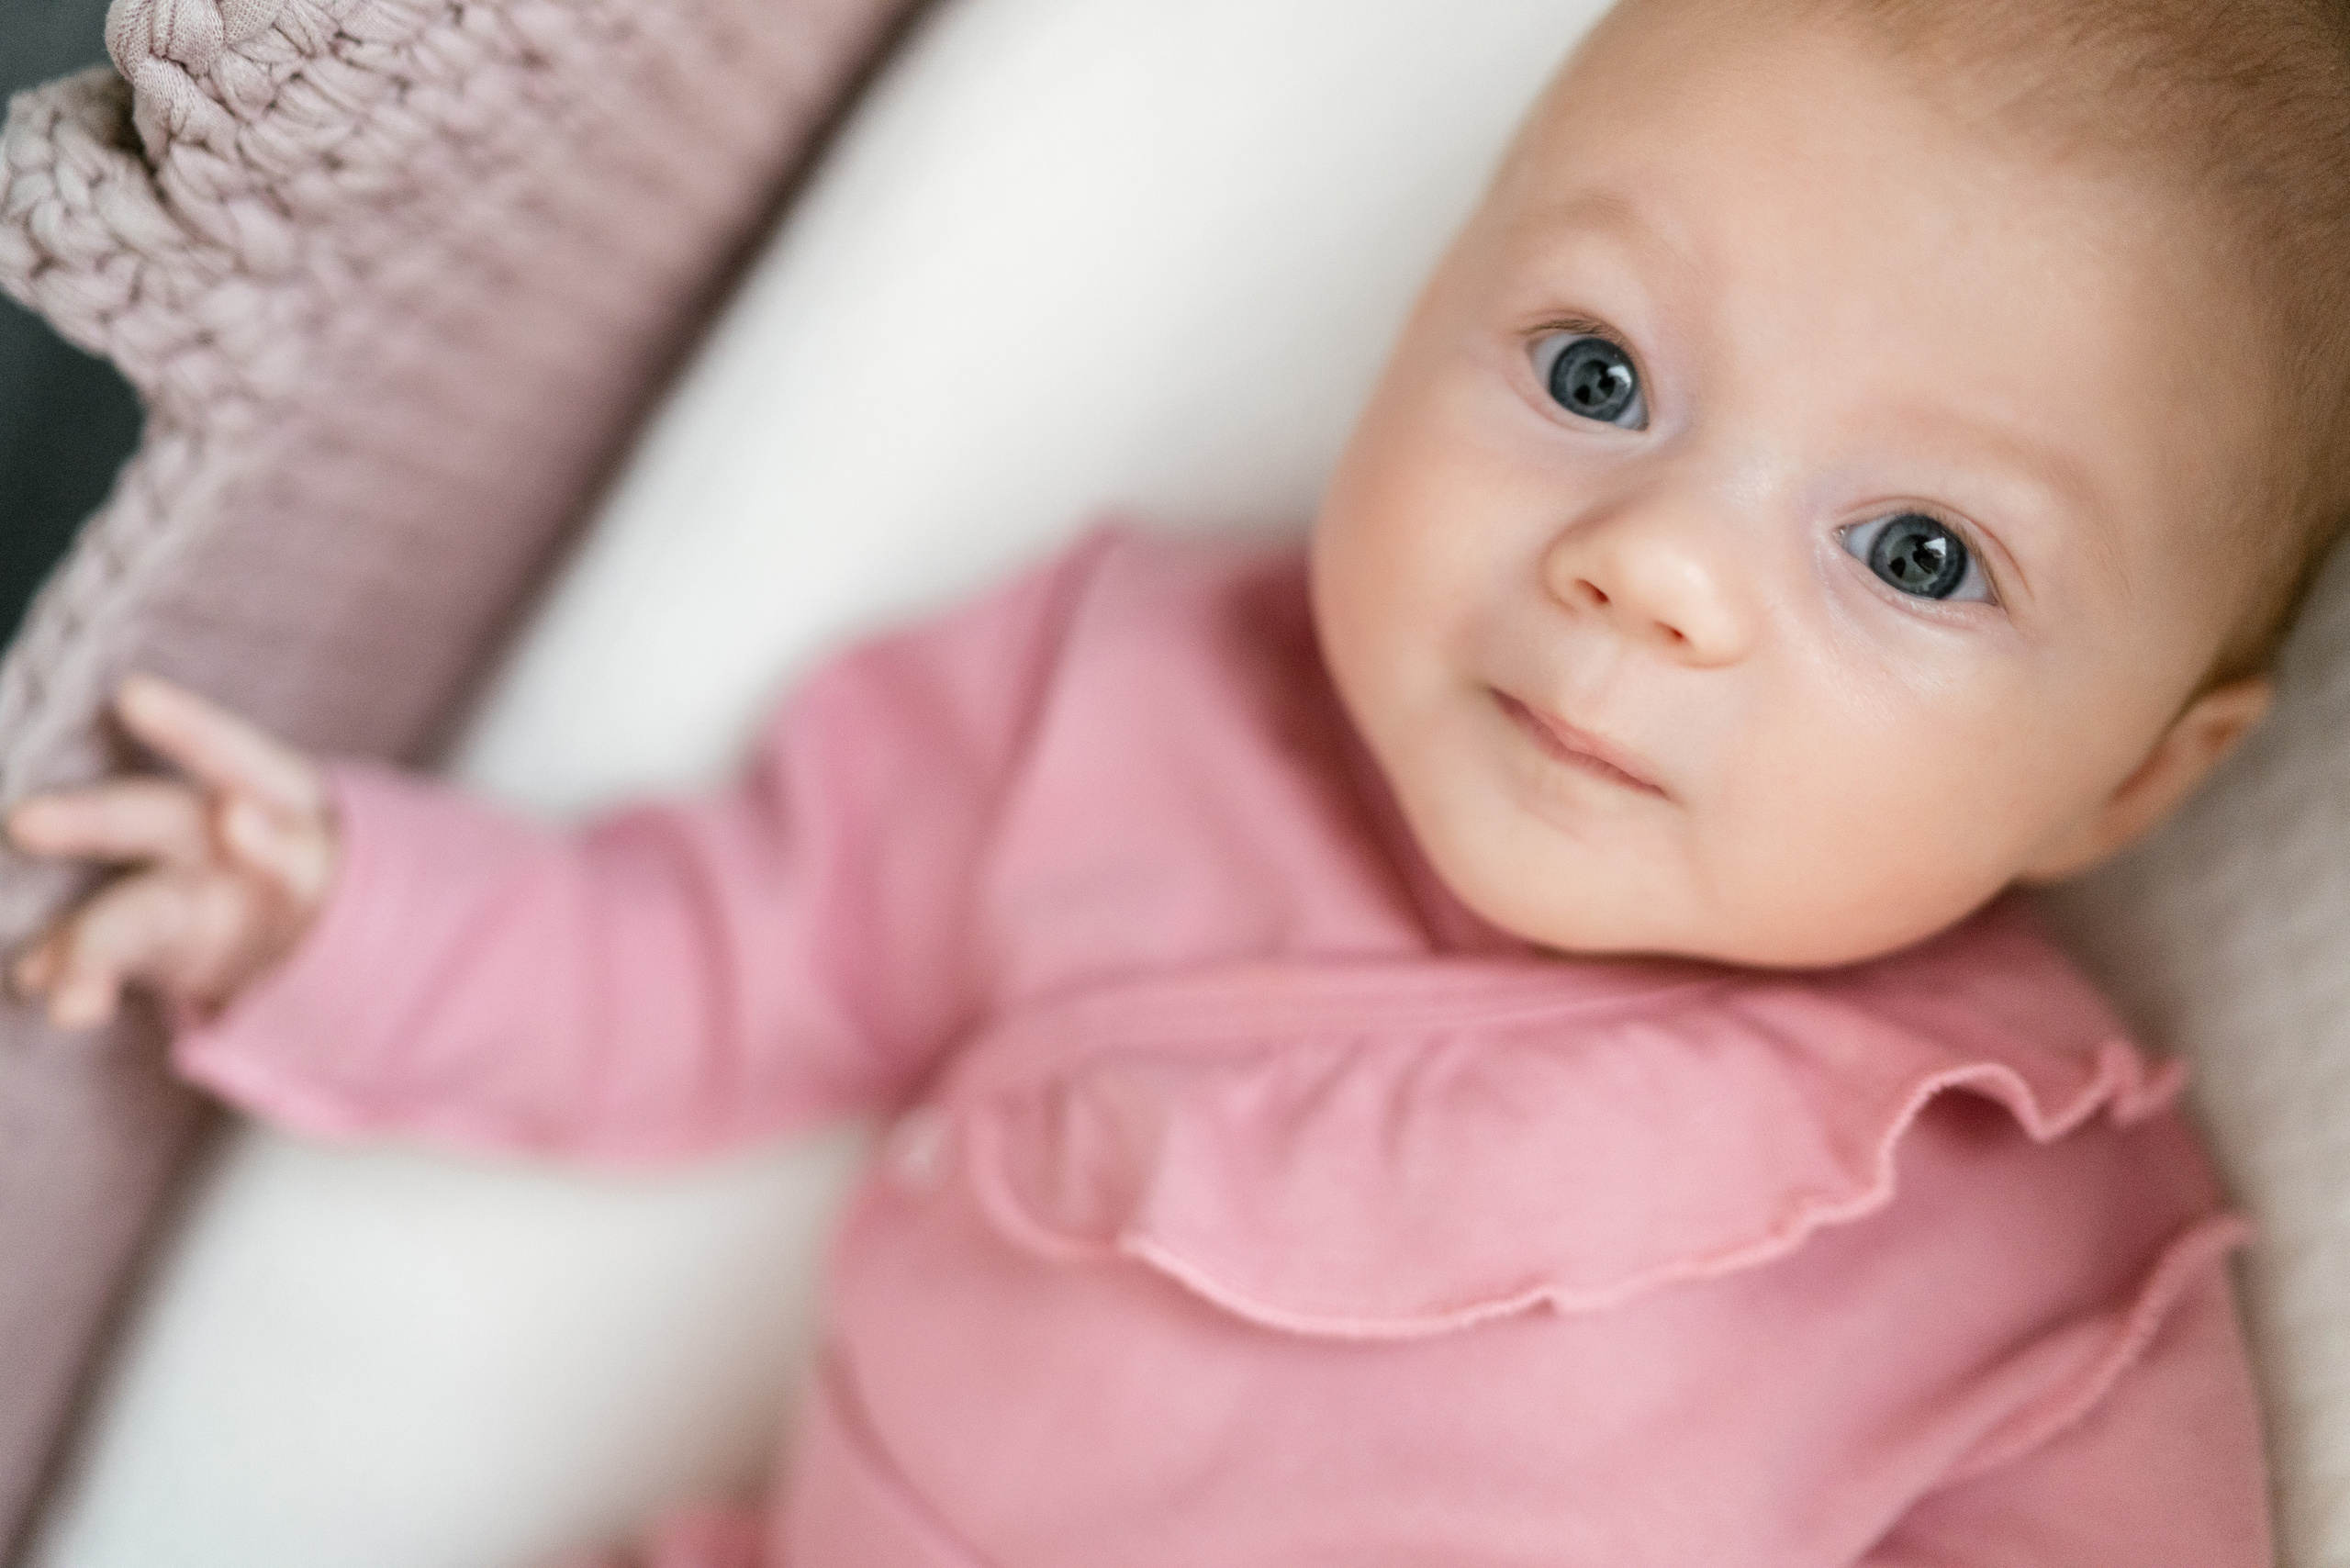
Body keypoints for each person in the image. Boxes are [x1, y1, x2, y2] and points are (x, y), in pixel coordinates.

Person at [13, 0, 2335, 1559]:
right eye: (1593, 374)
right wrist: (337, 912)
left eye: (1915, 554)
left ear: (2130, 777)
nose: (1650, 569)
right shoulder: (1124, 703)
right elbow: (710, 949)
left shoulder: (2035, 1254)